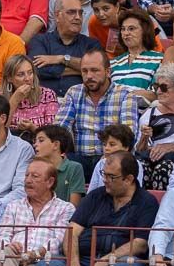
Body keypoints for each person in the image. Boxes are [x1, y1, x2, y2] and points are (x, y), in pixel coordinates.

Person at [54, 48, 139, 180]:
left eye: (95, 70)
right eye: (85, 71)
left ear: (108, 72)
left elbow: (127, 135)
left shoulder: (125, 94)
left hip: (112, 159)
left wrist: (109, 156)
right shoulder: (74, 92)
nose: (89, 76)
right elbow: (60, 129)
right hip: (79, 159)